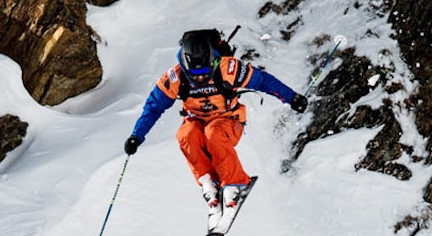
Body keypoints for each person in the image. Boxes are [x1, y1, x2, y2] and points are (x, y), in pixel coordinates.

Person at [123, 29, 309, 224]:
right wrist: (137, 136)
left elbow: (263, 81)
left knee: (214, 133)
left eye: (205, 73)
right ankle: (209, 184)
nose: (201, 78)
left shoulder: (229, 69)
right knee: (185, 135)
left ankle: (235, 184)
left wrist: (291, 97)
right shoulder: (175, 79)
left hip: (228, 120)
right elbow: (153, 107)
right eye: (195, 75)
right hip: (196, 121)